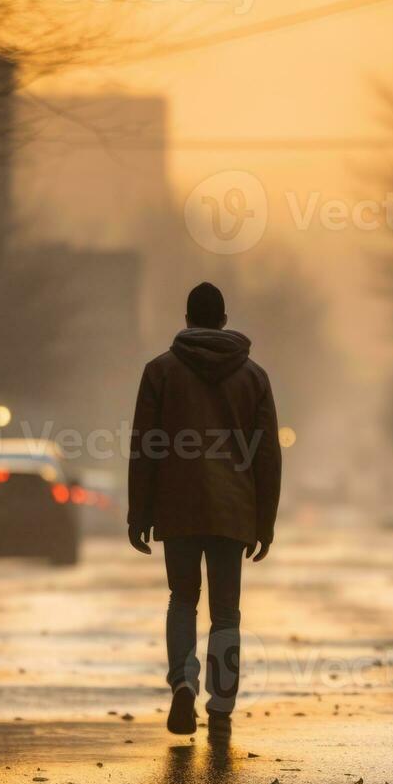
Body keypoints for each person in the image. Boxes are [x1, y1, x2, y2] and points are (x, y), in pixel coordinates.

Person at [128, 282, 282, 741]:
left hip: (176, 506)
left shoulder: (160, 373)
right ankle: (221, 708)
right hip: (233, 511)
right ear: (223, 319)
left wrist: (139, 514)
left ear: (188, 318)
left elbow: (145, 447)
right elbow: (268, 454)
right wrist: (265, 521)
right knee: (227, 613)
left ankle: (182, 682)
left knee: (182, 598)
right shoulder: (253, 377)